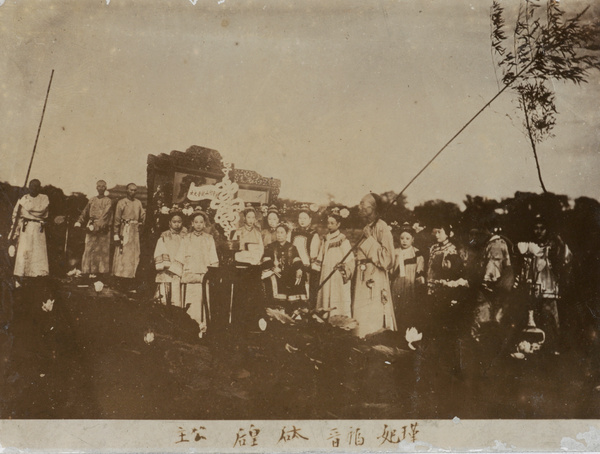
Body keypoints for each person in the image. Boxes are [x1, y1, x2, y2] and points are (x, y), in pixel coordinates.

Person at [515, 214, 572, 355]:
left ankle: (553, 349)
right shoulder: (528, 247)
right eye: (536, 228)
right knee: (531, 321)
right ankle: (532, 350)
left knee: (549, 319)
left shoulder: (553, 246)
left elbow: (566, 259)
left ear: (547, 230)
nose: (539, 231)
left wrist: (558, 244)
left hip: (548, 289)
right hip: (531, 290)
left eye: (542, 228)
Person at [352, 193, 397, 338]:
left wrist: (370, 239)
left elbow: (388, 259)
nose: (360, 207)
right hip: (362, 275)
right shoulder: (367, 226)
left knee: (373, 308)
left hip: (375, 277)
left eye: (362, 203)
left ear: (373, 207)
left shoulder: (382, 226)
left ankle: (373, 339)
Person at [171, 211, 219, 333]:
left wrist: (212, 274)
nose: (198, 225)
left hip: (204, 276)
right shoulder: (186, 238)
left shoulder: (209, 239)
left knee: (203, 303)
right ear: (192, 223)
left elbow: (213, 258)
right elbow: (180, 257)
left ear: (204, 224)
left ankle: (203, 330)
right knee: (190, 303)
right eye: (196, 222)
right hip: (189, 276)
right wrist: (177, 275)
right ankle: (189, 329)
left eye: (201, 222)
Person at [470, 225, 514, 342]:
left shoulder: (495, 244)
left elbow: (491, 274)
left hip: (492, 291)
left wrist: (482, 284)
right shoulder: (489, 244)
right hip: (494, 291)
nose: (474, 238)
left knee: (485, 326)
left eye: (476, 234)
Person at [314, 209, 354, 318]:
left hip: (337, 272)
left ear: (338, 224)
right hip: (326, 270)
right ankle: (325, 317)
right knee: (325, 291)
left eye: (332, 223)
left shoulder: (343, 239)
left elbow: (349, 258)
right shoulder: (325, 238)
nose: (330, 226)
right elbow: (321, 256)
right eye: (328, 223)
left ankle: (337, 317)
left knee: (336, 294)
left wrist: (343, 267)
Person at [261, 223, 306, 310]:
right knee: (272, 278)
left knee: (300, 276)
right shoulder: (271, 246)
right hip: (275, 272)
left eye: (282, 232)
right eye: (278, 232)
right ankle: (276, 306)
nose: (279, 235)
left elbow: (297, 260)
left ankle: (294, 308)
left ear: (286, 234)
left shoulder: (292, 247)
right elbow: (266, 260)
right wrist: (273, 268)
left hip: (289, 272)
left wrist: (299, 269)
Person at [10, 179, 50, 277]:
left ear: (40, 188)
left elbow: (40, 210)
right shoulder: (23, 199)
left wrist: (25, 203)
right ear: (29, 187)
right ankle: (22, 273)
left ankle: (38, 274)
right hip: (25, 228)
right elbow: (16, 215)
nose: (34, 188)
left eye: (37, 186)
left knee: (37, 252)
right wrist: (15, 231)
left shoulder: (44, 198)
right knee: (24, 250)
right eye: (32, 186)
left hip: (38, 228)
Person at [390, 222, 425, 329]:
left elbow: (420, 271)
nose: (404, 241)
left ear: (413, 239)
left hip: (410, 286)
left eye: (407, 238)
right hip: (396, 285)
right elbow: (391, 270)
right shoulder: (395, 252)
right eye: (402, 238)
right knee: (395, 308)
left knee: (408, 309)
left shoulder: (417, 253)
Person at [74, 180, 113, 275]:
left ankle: (101, 273)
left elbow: (105, 214)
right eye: (99, 186)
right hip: (91, 225)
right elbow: (85, 212)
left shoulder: (108, 201)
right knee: (89, 248)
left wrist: (98, 226)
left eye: (103, 186)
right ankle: (88, 271)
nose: (101, 188)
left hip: (102, 227)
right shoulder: (92, 200)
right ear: (96, 188)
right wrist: (79, 221)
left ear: (105, 188)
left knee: (102, 250)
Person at [112, 183, 145, 283]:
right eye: (131, 190)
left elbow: (143, 215)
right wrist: (116, 233)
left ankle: (131, 275)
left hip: (135, 231)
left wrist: (142, 223)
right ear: (127, 190)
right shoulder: (122, 202)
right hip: (125, 229)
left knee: (134, 253)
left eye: (135, 190)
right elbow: (117, 219)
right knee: (123, 252)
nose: (133, 192)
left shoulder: (138, 202)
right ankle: (120, 276)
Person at [153, 212, 187, 307]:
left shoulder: (186, 236)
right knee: (165, 291)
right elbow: (160, 249)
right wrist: (166, 263)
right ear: (169, 223)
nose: (177, 224)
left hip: (180, 268)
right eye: (174, 222)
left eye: (179, 222)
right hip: (167, 268)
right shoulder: (164, 236)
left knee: (178, 292)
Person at [290, 206, 321, 304]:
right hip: (294, 265)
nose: (302, 221)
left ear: (310, 219)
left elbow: (314, 254)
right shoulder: (293, 232)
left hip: (307, 267)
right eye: (300, 218)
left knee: (306, 292)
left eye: (305, 218)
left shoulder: (313, 234)